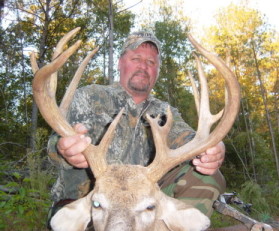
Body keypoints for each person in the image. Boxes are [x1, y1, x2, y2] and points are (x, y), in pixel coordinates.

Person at [47, 31, 226, 227]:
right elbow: (56, 145)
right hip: (93, 206)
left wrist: (213, 148)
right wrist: (64, 149)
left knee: (206, 175)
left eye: (151, 62)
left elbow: (190, 140)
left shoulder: (164, 111)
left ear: (157, 71)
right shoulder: (89, 97)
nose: (143, 66)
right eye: (136, 58)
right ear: (120, 63)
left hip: (142, 206)